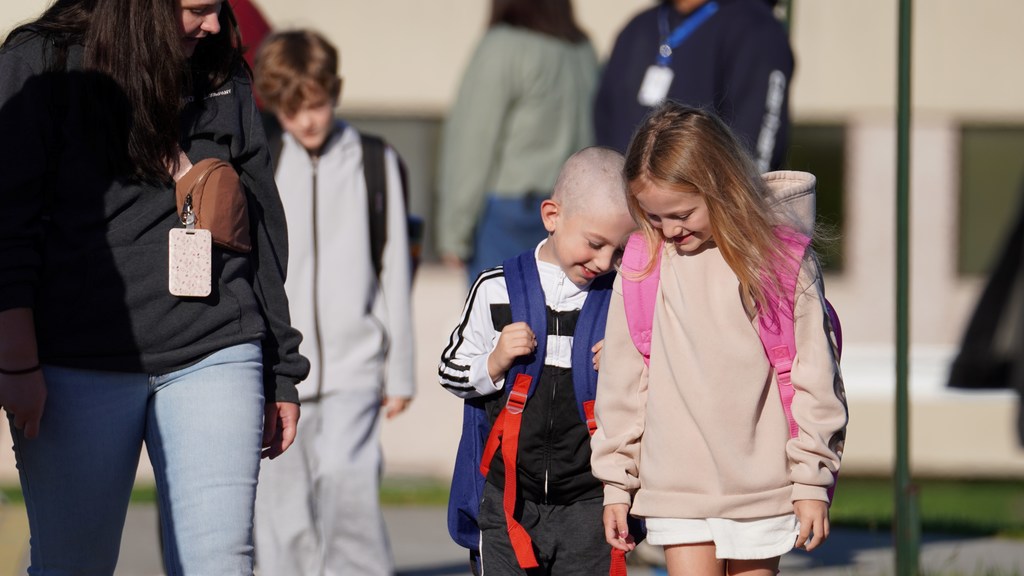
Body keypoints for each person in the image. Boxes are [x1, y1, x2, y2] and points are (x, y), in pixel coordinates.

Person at [0, 0, 309, 574]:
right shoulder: (40, 62)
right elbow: (7, 223)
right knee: (73, 564)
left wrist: (281, 369)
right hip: (74, 362)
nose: (214, 23)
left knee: (220, 562)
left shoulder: (222, 71)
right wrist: (16, 362)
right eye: (196, 8)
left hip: (216, 349)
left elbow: (262, 226)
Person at [590, 102, 847, 576]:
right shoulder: (644, 262)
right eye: (653, 216)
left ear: (721, 186)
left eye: (681, 213)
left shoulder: (781, 261)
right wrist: (615, 484)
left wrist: (812, 482)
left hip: (762, 486)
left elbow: (815, 378)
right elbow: (623, 385)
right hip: (676, 485)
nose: (668, 230)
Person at [251, 29, 415, 576]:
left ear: (335, 92)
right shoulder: (264, 159)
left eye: (317, 105)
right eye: (295, 110)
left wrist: (401, 370)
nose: (309, 121)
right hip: (280, 376)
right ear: (275, 106)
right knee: (283, 521)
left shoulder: (374, 161)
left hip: (354, 371)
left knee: (351, 509)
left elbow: (394, 268)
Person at [439, 146, 637, 575]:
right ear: (552, 216)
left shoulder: (623, 299)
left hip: (590, 502)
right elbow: (450, 370)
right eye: (595, 243)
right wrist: (493, 362)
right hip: (508, 499)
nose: (604, 262)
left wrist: (633, 365)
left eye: (619, 250)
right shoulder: (496, 288)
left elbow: (656, 392)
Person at [436, 0, 599, 285]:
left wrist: (455, 232)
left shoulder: (503, 46)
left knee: (499, 322)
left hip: (509, 214)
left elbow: (472, 144)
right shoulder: (583, 50)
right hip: (571, 208)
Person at [594, 0, 793, 173]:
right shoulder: (638, 27)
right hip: (623, 206)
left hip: (706, 209)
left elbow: (756, 148)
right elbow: (604, 122)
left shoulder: (756, 27)